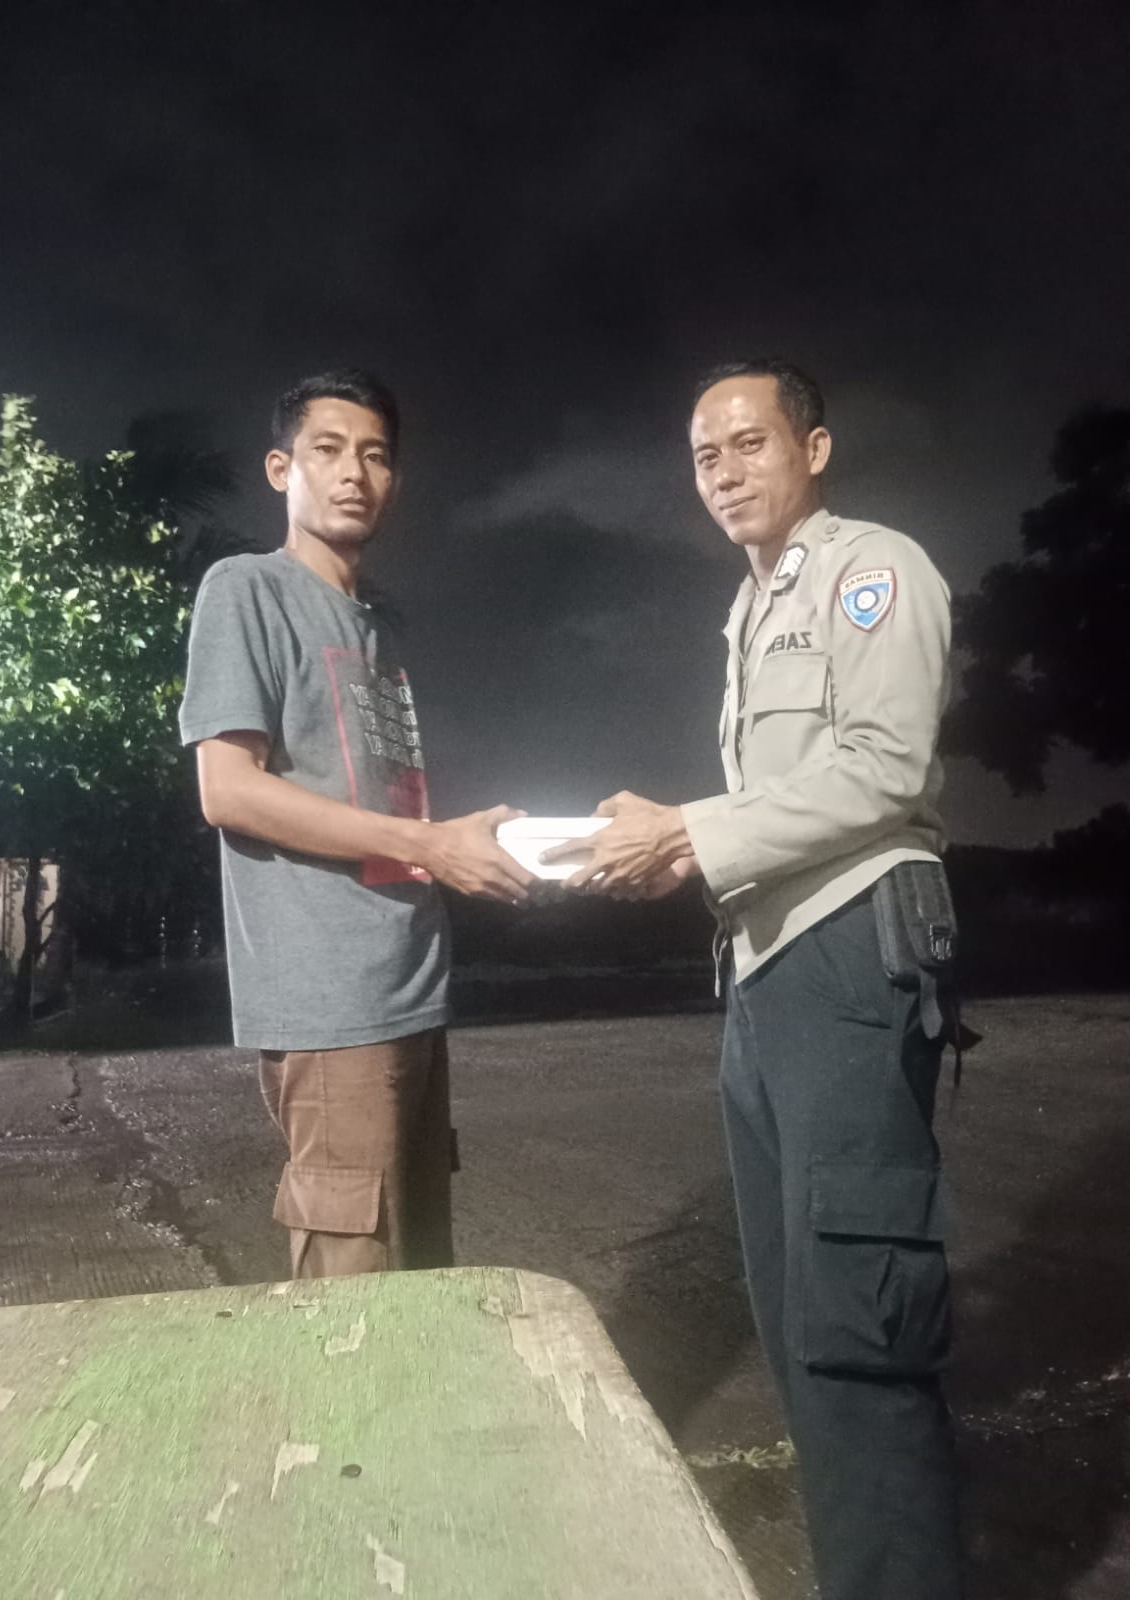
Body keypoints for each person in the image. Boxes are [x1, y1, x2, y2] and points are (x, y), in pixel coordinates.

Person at [548, 359, 963, 1600]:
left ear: (813, 448)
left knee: (858, 1320)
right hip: (765, 965)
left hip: (847, 952)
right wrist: (681, 851)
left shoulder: (871, 568)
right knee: (800, 1324)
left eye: (749, 442)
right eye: (704, 455)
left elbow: (887, 767)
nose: (724, 471)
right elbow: (783, 803)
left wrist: (689, 827)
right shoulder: (749, 605)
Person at [179, 369, 533, 1279]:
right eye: (328, 450)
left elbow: (379, 814)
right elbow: (229, 791)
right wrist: (430, 844)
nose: (353, 473)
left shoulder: (377, 630)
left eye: (375, 456)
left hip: (410, 989)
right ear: (281, 469)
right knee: (353, 1296)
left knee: (420, 1280)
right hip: (333, 1006)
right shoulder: (247, 589)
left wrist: (464, 842)